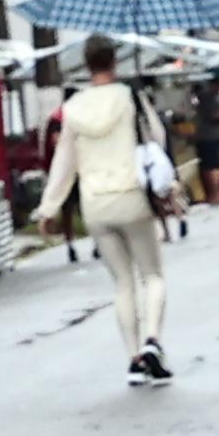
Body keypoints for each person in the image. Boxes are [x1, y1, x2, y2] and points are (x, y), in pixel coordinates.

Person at [34, 32, 178, 382]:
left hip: (95, 204)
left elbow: (63, 163)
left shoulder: (73, 109)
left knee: (122, 284)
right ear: (115, 61)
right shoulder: (130, 97)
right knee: (153, 275)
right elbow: (156, 140)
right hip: (131, 196)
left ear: (86, 64)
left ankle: (133, 360)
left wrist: (48, 208)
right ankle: (152, 341)